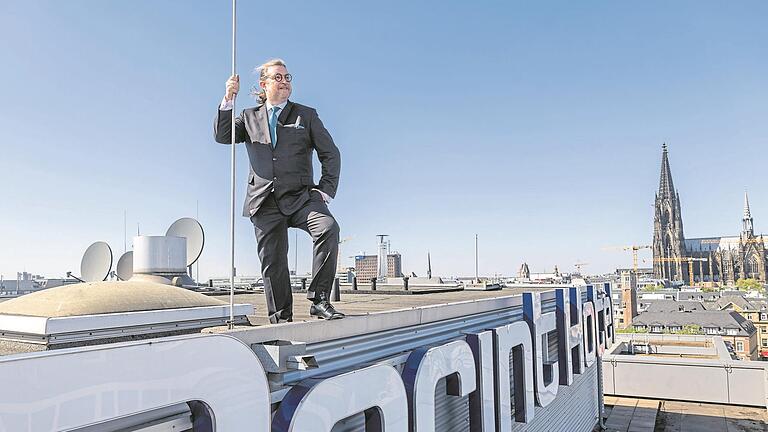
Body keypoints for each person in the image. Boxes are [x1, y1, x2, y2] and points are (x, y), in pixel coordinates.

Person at [214, 58, 344, 323]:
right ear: (264, 84)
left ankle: (319, 300)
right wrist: (228, 97)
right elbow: (223, 135)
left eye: (287, 77)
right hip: (263, 201)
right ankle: (281, 319)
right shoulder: (248, 117)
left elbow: (330, 154)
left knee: (328, 229)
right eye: (278, 77)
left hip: (301, 197)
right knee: (274, 264)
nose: (285, 82)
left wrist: (325, 190)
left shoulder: (305, 115)